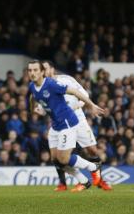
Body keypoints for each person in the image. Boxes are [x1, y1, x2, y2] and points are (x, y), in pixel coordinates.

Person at [27, 60, 106, 193]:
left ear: (42, 72)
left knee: (64, 159)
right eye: (30, 70)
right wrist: (32, 108)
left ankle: (93, 167)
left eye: (35, 70)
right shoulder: (32, 86)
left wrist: (91, 105)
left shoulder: (51, 84)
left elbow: (75, 91)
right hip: (56, 125)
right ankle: (84, 181)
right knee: (56, 160)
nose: (32, 73)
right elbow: (32, 96)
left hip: (67, 123)